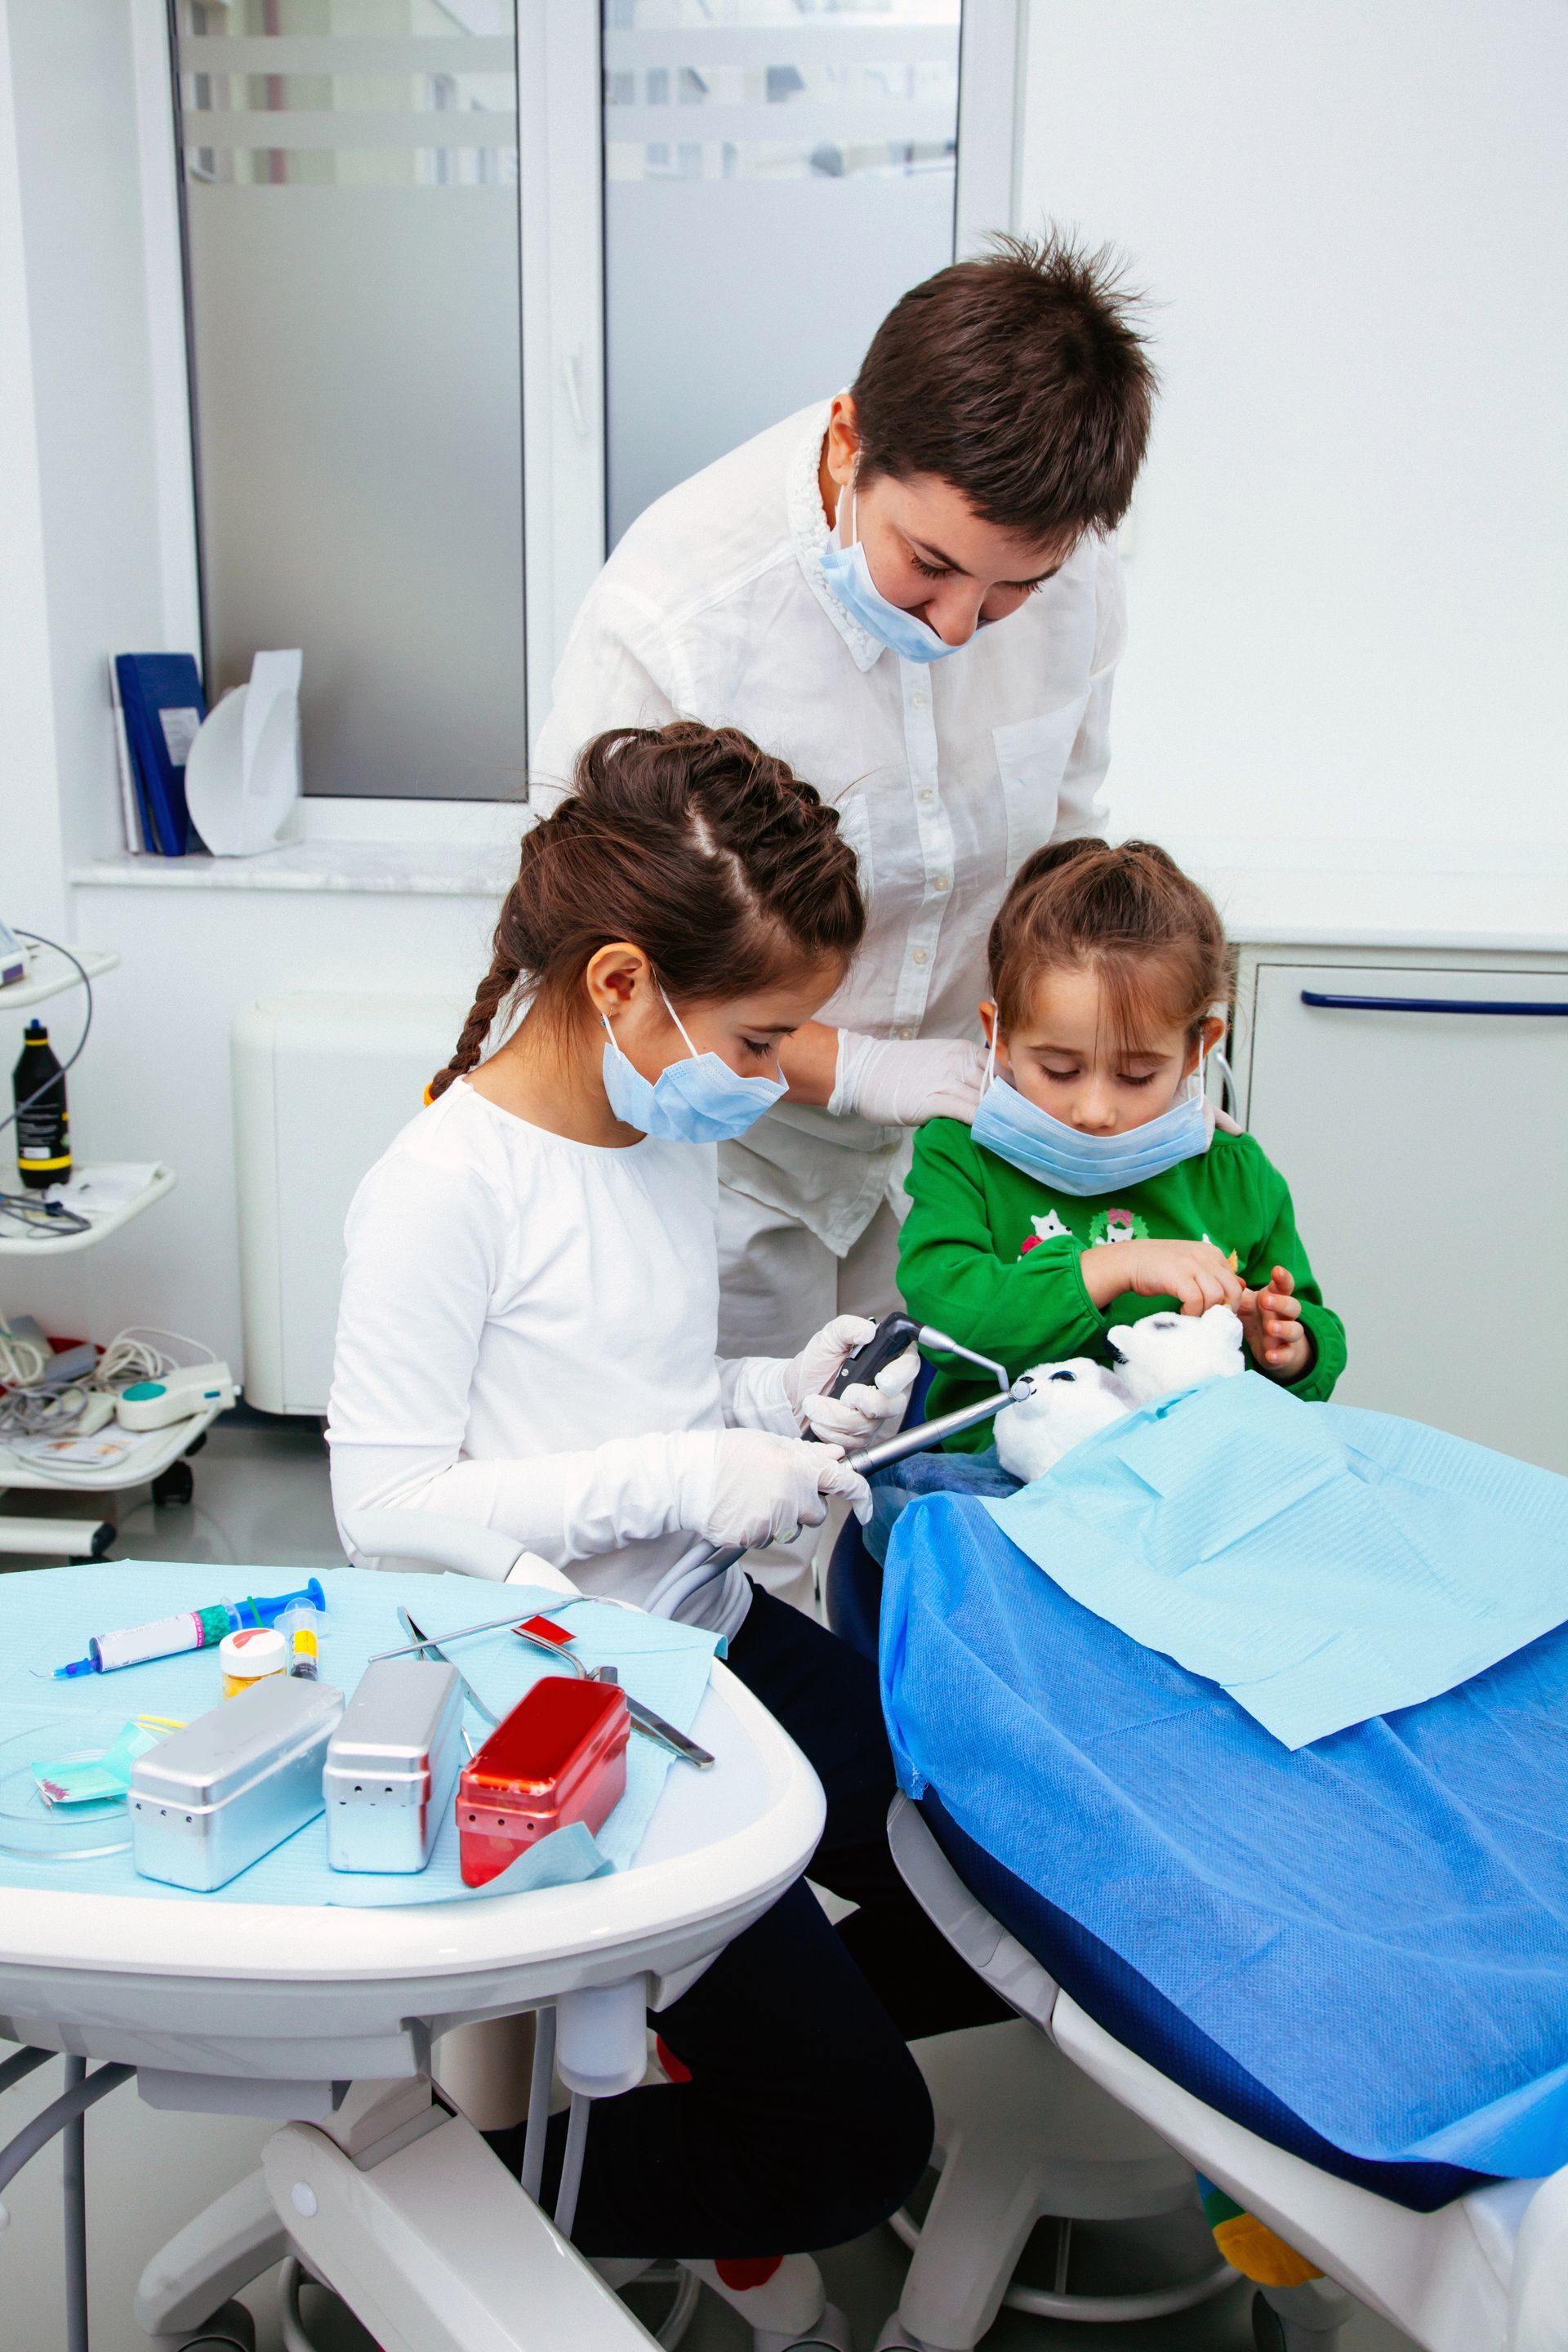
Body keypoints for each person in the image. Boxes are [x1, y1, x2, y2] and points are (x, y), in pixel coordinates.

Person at [327, 722, 1004, 2346]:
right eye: (763, 1037)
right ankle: (442, 2186)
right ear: (624, 982)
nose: (776, 1076)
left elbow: (613, 1389)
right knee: (852, 2147)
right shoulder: (444, 1186)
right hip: (560, 1702)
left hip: (694, 1641)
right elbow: (389, 1509)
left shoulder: (654, 1139)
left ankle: (720, 2055)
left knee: (999, 1867)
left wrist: (771, 1398)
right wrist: (682, 1478)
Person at [534, 235, 1157, 1437]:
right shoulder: (679, 609)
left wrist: (1131, 1055)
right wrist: (859, 1067)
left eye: (1010, 591)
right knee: (719, 1513)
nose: (965, 622)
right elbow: (593, 953)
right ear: (846, 440)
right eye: (928, 567)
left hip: (948, 1162)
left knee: (911, 1484)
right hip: (718, 1156)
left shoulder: (1079, 584)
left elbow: (1062, 856)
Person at [898, 838, 1346, 1440]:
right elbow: (951, 1320)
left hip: (1186, 1478)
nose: (1095, 1110)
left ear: (1198, 1048)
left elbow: (1314, 1325)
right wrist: (1115, 1266)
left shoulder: (1235, 1175)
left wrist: (1290, 1348)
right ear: (998, 1036)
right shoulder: (962, 1155)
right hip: (1005, 1488)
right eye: (1059, 1070)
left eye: (1137, 1076)